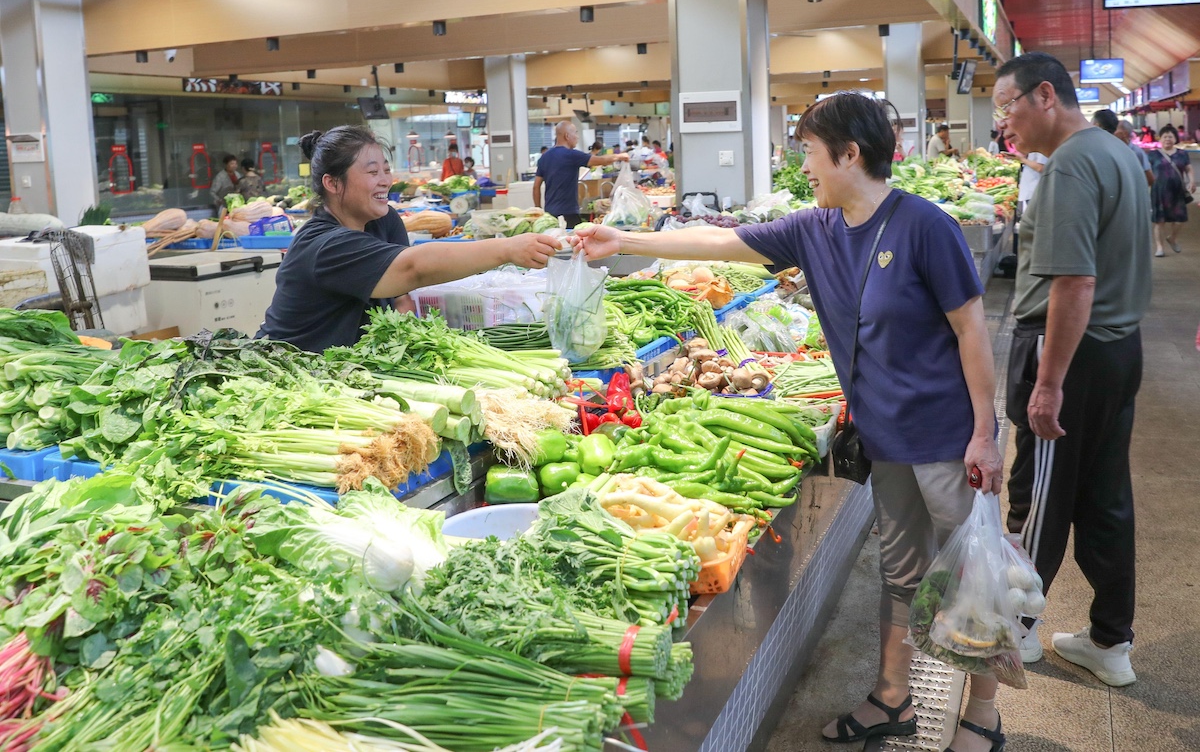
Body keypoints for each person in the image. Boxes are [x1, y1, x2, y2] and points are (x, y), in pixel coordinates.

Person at [574, 92, 1004, 752]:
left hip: (946, 436)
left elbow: (972, 330)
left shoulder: (924, 226)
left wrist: (984, 433)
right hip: (885, 439)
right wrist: (624, 240)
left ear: (849, 154)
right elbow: (720, 242)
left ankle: (983, 712)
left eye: (807, 151)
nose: (802, 165)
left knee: (971, 573)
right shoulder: (814, 229)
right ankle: (893, 697)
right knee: (901, 573)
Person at [993, 52, 1150, 686]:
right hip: (1118, 349)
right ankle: (1111, 643)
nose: (1004, 122)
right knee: (1105, 497)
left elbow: (1075, 281)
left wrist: (1048, 384)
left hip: (1072, 354)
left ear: (1046, 96)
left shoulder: (1072, 166)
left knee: (1039, 498)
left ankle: (1018, 631)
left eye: (1009, 105)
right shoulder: (1114, 153)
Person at [259, 126, 559, 353]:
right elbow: (413, 269)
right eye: (373, 172)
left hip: (348, 369)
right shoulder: (323, 245)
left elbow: (402, 300)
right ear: (333, 183)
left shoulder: (382, 220)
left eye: (386, 170)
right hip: (292, 370)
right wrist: (505, 248)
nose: (386, 181)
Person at [532, 120, 629, 228]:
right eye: (576, 133)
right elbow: (601, 160)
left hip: (549, 214)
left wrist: (538, 210)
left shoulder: (544, 157)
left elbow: (536, 187)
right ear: (567, 136)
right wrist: (620, 156)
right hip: (569, 214)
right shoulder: (572, 155)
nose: (577, 137)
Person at [1147, 125, 1194, 256]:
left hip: (1177, 191)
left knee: (1180, 220)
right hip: (1158, 191)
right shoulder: (1153, 154)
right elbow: (1146, 171)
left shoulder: (1182, 154)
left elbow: (1188, 169)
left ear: (1175, 139)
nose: (1168, 139)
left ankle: (1172, 238)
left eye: (1170, 136)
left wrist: (1191, 181)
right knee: (1159, 221)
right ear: (1160, 139)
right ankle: (1159, 247)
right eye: (1165, 136)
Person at [1112, 118, 1155, 187]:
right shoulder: (1114, 150)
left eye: (1115, 130)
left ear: (1124, 133)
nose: (1113, 133)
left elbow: (1150, 179)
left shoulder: (1137, 152)